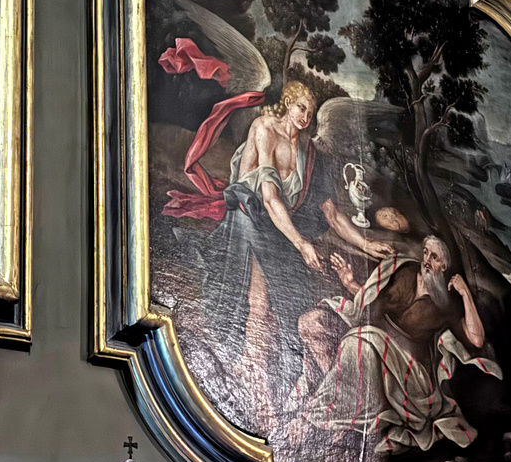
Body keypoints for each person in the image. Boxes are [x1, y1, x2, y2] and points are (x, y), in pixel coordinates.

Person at [166, 80, 393, 401]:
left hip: (283, 228)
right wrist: (302, 244)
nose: (305, 117)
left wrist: (366, 245)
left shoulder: (310, 153)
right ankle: (249, 363)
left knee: (286, 303)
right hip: (252, 216)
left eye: (310, 113)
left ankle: (271, 370)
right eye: (301, 107)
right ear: (288, 103)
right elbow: (270, 198)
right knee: (258, 299)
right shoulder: (264, 129)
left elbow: (332, 213)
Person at [300, 235, 500, 455]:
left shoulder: (446, 303)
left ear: (443, 266)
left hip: (410, 371)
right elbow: (371, 304)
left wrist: (465, 295)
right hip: (370, 339)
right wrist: (349, 283)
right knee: (314, 323)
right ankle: (336, 410)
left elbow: (476, 339)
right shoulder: (400, 271)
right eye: (425, 252)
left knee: (359, 344)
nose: (426, 260)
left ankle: (329, 418)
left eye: (434, 257)